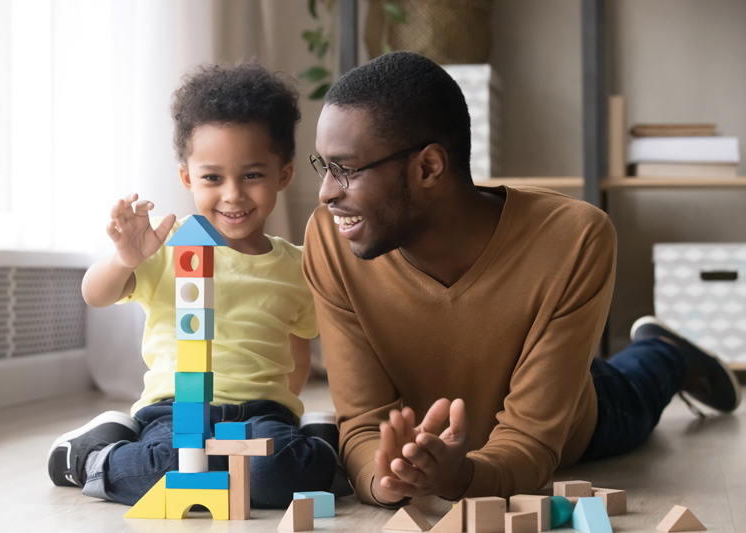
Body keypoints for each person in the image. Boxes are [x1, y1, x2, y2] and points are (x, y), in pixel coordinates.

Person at [301, 51, 742, 508]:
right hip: (466, 420)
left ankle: (665, 351)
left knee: (636, 387)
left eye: (346, 170)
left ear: (429, 167)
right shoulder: (331, 241)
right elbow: (362, 422)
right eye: (324, 166)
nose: (326, 192)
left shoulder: (574, 238)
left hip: (568, 421)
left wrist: (462, 476)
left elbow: (533, 442)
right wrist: (386, 479)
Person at [47, 62, 346, 508]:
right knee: (164, 469)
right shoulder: (166, 246)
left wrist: (286, 407)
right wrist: (127, 258)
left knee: (276, 478)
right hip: (173, 412)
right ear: (187, 177)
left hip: (261, 412)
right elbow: (95, 293)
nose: (232, 194)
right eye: (212, 177)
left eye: (252, 175)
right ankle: (94, 453)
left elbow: (298, 349)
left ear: (283, 175)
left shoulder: (297, 265)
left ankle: (316, 438)